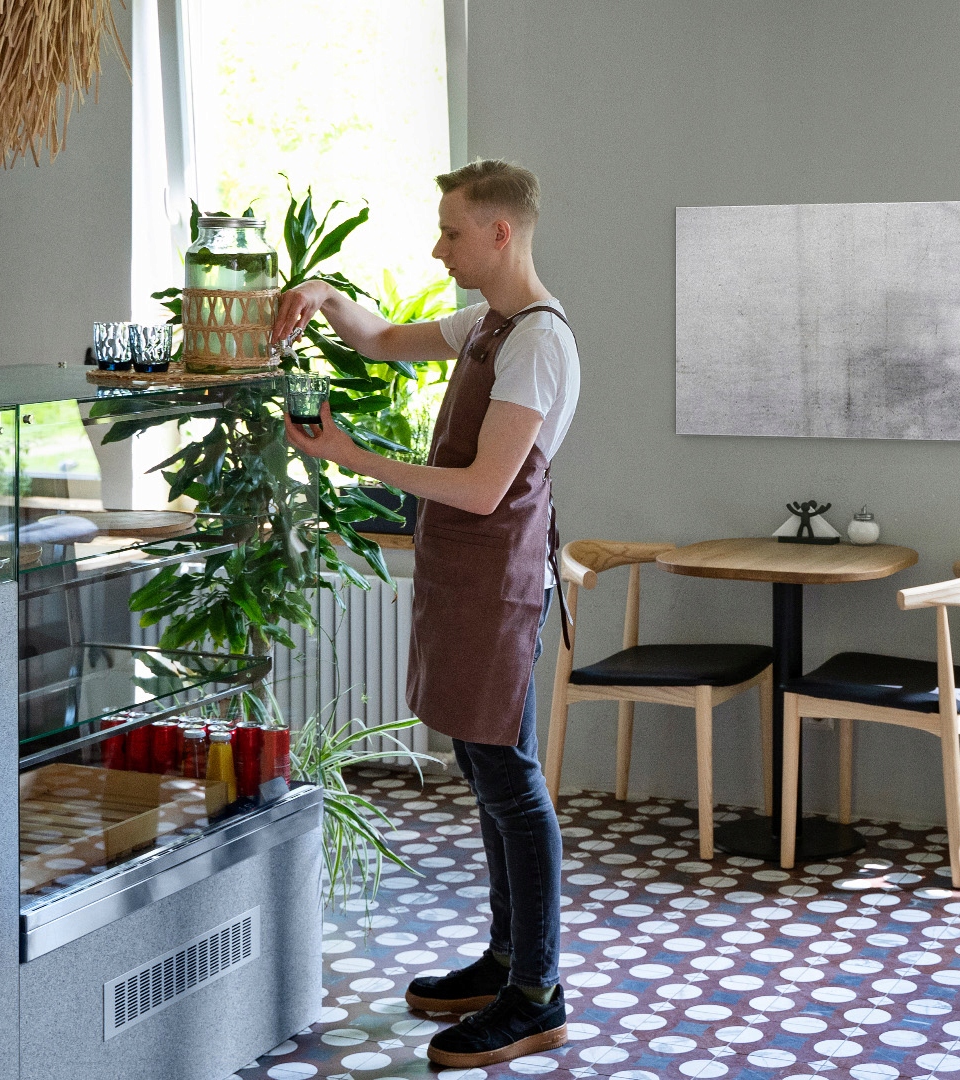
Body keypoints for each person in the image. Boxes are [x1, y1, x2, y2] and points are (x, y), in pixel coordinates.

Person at [273, 159, 579, 1069]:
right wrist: (326, 297)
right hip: (468, 580)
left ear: (499, 233)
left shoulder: (536, 340)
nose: (438, 247)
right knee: (488, 771)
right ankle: (507, 961)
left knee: (510, 781)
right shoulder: (486, 323)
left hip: (500, 585)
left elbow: (485, 489)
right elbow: (380, 340)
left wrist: (352, 456)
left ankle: (537, 994)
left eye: (451, 231)